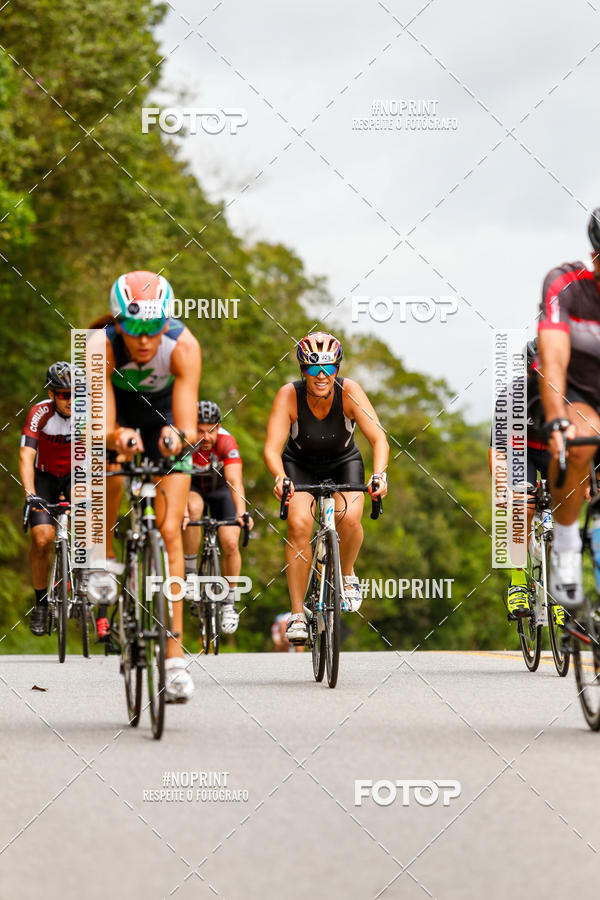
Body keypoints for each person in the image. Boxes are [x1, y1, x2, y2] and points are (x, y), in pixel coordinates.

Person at [93, 270, 200, 701]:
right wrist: (116, 436)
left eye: (152, 328)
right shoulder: (99, 346)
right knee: (106, 472)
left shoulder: (184, 346)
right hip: (116, 419)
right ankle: (101, 558)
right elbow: (98, 420)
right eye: (133, 328)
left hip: (163, 420)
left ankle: (174, 661)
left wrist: (177, 437)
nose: (143, 339)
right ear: (119, 323)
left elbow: (188, 424)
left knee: (171, 531)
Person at [264, 331, 389, 644]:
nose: (321, 376)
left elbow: (379, 438)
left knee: (349, 519)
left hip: (343, 462)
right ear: (302, 370)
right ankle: (296, 615)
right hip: (299, 464)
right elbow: (271, 447)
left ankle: (346, 573)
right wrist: (280, 476)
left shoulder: (350, 392)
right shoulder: (288, 395)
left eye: (329, 368)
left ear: (337, 368)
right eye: (313, 368)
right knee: (298, 525)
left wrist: (379, 475)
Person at [537, 208, 600, 611]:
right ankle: (564, 543)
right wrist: (557, 419)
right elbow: (554, 362)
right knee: (577, 444)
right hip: (582, 394)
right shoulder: (567, 285)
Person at [488, 340, 563, 621]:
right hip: (521, 451)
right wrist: (501, 489)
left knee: (565, 515)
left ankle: (560, 586)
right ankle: (518, 582)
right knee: (522, 506)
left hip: (556, 451)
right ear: (529, 372)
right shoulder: (511, 397)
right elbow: (497, 451)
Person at [182, 401, 254, 633]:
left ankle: (229, 604)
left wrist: (242, 512)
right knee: (192, 510)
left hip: (221, 490)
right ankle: (191, 573)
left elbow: (235, 481)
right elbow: (178, 482)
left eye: (211, 430)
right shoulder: (184, 441)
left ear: (218, 427)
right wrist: (181, 511)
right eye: (200, 430)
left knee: (231, 542)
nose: (206, 436)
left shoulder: (226, 441)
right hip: (193, 489)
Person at [19, 362, 72, 635]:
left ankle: (90, 595)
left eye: (76, 393)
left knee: (93, 528)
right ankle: (40, 605)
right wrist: (30, 493)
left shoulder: (88, 414)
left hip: (77, 475)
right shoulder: (39, 413)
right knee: (42, 538)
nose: (70, 400)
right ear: (52, 394)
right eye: (63, 394)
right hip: (45, 478)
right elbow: (26, 456)